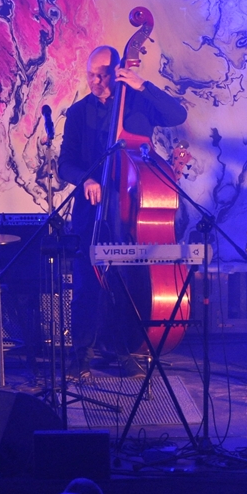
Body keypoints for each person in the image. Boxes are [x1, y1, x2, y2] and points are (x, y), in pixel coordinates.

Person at [58, 46, 187, 377]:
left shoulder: (138, 104)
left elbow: (177, 115)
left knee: (126, 283)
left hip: (130, 210)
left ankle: (125, 349)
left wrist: (143, 85)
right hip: (92, 212)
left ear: (117, 72)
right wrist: (86, 179)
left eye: (102, 75)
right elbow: (65, 164)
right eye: (91, 75)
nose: (96, 81)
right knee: (86, 285)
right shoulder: (77, 112)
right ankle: (81, 355)